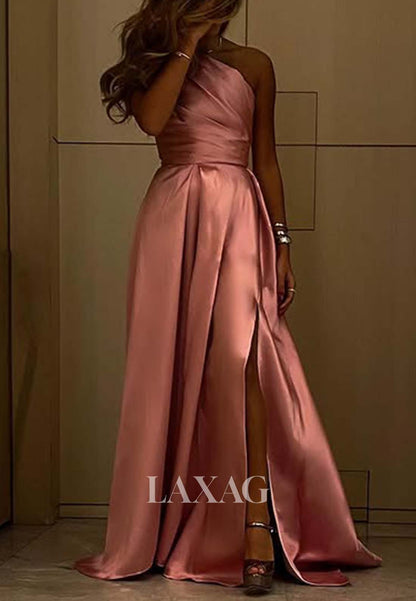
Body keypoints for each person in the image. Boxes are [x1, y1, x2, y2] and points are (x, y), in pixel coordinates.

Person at [73, 0, 382, 595]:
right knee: (166, 369)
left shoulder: (255, 64)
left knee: (243, 364)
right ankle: (170, 526)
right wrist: (186, 44)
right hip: (172, 219)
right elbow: (154, 122)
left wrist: (283, 243)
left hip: (240, 214)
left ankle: (256, 527)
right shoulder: (152, 59)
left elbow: (266, 158)